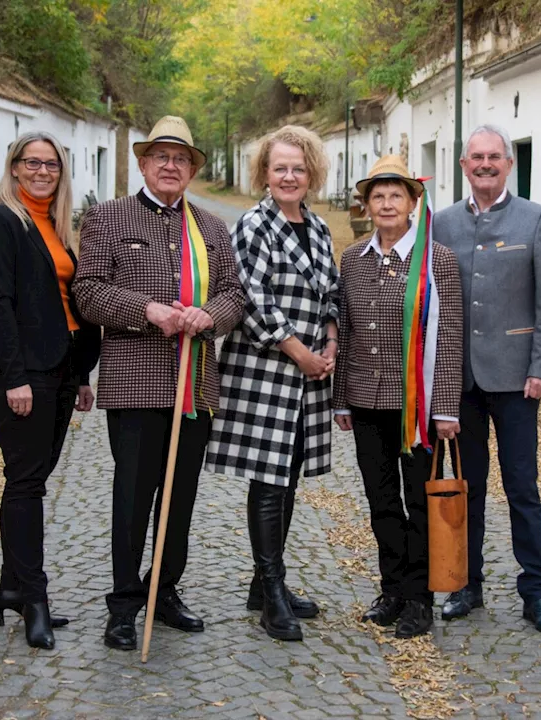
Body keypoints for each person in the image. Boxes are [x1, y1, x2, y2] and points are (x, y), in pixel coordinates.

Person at [71, 116, 246, 652]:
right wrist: (148, 311)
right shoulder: (107, 218)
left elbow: (236, 296)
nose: (171, 166)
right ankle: (124, 605)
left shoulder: (212, 229)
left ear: (193, 169)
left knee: (180, 497)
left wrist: (207, 316)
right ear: (143, 164)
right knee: (133, 499)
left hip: (194, 384)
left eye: (182, 159)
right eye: (161, 157)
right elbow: (88, 292)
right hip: (135, 383)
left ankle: (163, 590)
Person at [432, 124, 541, 636]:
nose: (485, 165)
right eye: (476, 158)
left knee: (521, 487)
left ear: (509, 164)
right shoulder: (441, 223)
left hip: (516, 380)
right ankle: (468, 585)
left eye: (494, 157)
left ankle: (536, 590)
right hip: (460, 381)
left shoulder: (537, 220)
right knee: (469, 487)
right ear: (464, 166)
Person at [206, 126, 338, 642]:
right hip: (266, 369)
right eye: (279, 167)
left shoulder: (321, 228)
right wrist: (300, 351)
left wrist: (329, 341)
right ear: (264, 172)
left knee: (292, 472)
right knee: (269, 477)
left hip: (311, 376)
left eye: (298, 168)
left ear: (312, 175)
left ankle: (264, 586)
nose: (289, 176)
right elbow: (252, 299)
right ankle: (271, 593)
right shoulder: (254, 225)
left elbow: (332, 292)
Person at [0, 131, 102, 650]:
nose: (43, 171)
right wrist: (16, 378)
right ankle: (35, 599)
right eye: (33, 162)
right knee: (26, 482)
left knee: (36, 477)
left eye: (52, 164)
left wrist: (82, 375)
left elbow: (67, 302)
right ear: (14, 167)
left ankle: (12, 583)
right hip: (24, 371)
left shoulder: (54, 225)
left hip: (64, 367)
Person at [333, 154, 463, 639]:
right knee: (381, 500)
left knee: (418, 502)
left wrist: (446, 407)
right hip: (367, 402)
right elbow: (344, 330)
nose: (387, 204)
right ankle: (391, 589)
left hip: (418, 407)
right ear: (366, 205)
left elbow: (449, 337)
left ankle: (419, 597)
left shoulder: (436, 261)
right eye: (378, 196)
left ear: (413, 202)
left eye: (396, 195)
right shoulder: (352, 259)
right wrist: (341, 398)